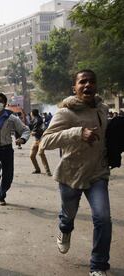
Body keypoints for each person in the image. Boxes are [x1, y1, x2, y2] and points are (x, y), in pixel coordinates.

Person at [40, 70, 111, 276]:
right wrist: (77, 132)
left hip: (98, 173)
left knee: (103, 218)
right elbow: (46, 141)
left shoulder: (102, 109)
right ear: (75, 88)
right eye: (83, 82)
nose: (87, 85)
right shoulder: (66, 112)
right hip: (71, 174)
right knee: (68, 216)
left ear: (96, 86)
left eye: (91, 81)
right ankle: (64, 229)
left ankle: (98, 265)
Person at [29, 109, 51, 176]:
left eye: (31, 113)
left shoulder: (38, 120)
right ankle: (37, 169)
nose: (30, 114)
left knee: (41, 154)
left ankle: (48, 171)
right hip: (36, 140)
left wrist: (33, 132)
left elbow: (37, 130)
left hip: (41, 140)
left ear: (32, 113)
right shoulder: (36, 119)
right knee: (32, 156)